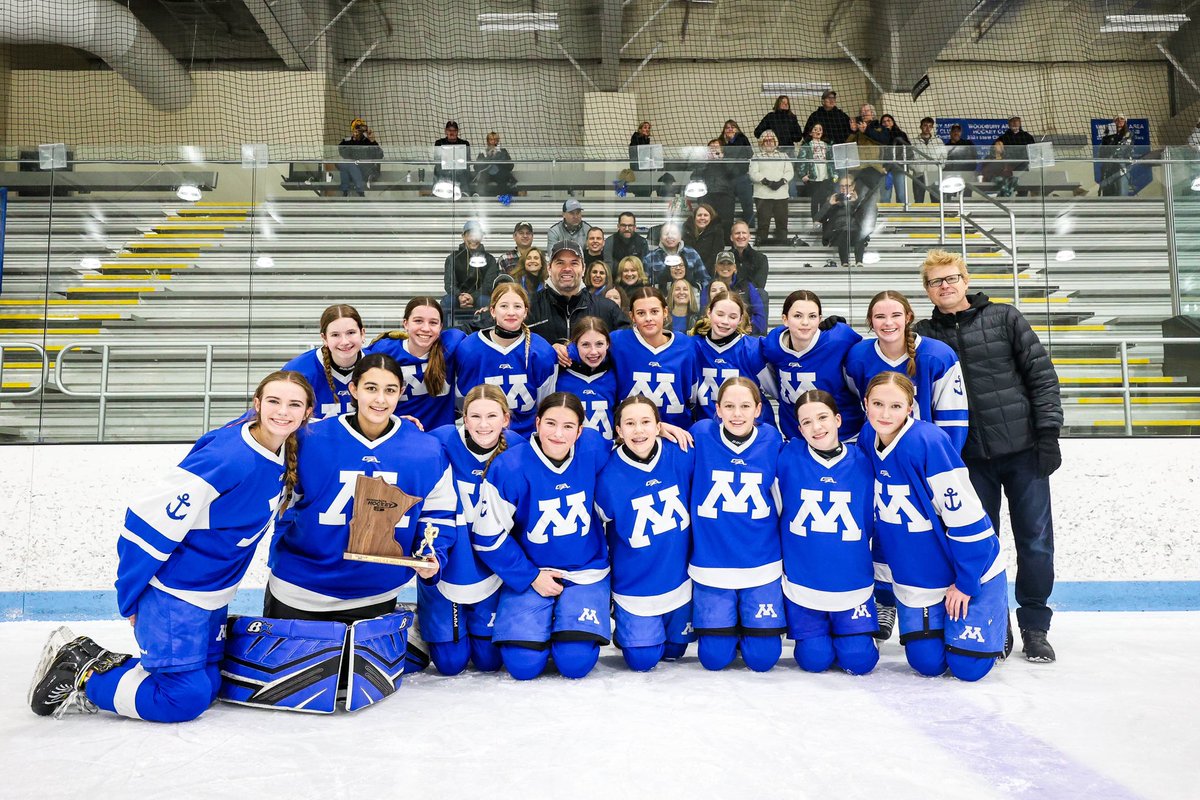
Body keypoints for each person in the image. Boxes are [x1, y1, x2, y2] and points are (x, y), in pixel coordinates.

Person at [29, 372, 314, 721]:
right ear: (256, 404)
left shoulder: (283, 450)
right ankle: (80, 670)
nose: (282, 411)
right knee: (182, 698)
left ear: (307, 413)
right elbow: (146, 522)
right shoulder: (228, 457)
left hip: (212, 594)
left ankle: (95, 658)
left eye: (293, 404)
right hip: (174, 592)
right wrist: (131, 593)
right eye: (273, 401)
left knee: (209, 686)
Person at [248, 355, 456, 711]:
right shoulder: (309, 437)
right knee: (298, 688)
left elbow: (438, 513)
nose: (380, 399)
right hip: (301, 589)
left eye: (390, 390)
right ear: (354, 389)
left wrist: (432, 554)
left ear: (401, 393)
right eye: (371, 388)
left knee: (351, 687)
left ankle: (401, 625)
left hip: (374, 591)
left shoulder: (425, 449)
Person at [914, 249, 1061, 663]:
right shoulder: (922, 334)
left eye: (951, 278)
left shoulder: (1004, 317)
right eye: (936, 281)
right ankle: (996, 622)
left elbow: (1041, 376)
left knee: (1036, 541)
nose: (945, 286)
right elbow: (882, 344)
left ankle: (1035, 626)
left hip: (1024, 450)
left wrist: (1048, 434)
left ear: (965, 280)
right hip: (967, 460)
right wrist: (837, 334)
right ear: (927, 290)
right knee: (979, 543)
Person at [859, 371, 1008, 681]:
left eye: (896, 406)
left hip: (968, 569)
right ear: (865, 404)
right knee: (927, 663)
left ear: (910, 407)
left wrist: (967, 582)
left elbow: (966, 516)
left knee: (969, 668)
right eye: (878, 404)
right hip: (919, 577)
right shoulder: (866, 438)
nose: (885, 414)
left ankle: (996, 617)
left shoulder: (928, 441)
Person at [473, 393, 613, 680]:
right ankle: (543, 627)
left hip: (585, 570)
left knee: (575, 663)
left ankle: (562, 629)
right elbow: (487, 537)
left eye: (568, 426)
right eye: (550, 423)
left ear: (580, 431)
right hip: (533, 570)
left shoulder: (592, 446)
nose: (558, 433)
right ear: (536, 423)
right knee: (522, 665)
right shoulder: (509, 466)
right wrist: (531, 576)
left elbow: (633, 441)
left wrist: (661, 427)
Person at [776, 389, 878, 675]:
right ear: (799, 429)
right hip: (803, 583)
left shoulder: (864, 460)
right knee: (814, 659)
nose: (816, 427)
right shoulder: (787, 455)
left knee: (860, 660)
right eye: (807, 422)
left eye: (822, 418)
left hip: (852, 581)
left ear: (838, 419)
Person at [423, 385, 523, 675]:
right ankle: (421, 627)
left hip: (492, 564)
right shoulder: (440, 440)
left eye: (491, 416)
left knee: (489, 661)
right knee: (450, 663)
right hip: (449, 560)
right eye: (475, 416)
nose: (483, 424)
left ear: (506, 419)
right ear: (464, 418)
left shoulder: (518, 448)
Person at [688, 377, 785, 672]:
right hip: (712, 564)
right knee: (714, 658)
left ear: (758, 409)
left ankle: (746, 623)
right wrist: (664, 426)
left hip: (760, 563)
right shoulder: (701, 434)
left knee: (763, 658)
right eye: (729, 406)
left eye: (745, 406)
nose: (737, 414)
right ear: (717, 409)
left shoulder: (771, 439)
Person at [595, 396, 696, 671]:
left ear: (658, 425)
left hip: (679, 580)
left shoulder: (681, 453)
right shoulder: (607, 474)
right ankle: (626, 624)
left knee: (674, 651)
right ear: (618, 430)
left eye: (646, 422)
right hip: (635, 585)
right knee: (642, 659)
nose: (638, 430)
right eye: (630, 423)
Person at [844, 289, 969, 451]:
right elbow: (855, 405)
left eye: (896, 315)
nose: (888, 323)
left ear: (908, 317)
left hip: (924, 452)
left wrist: (941, 458)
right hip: (877, 454)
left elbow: (953, 420)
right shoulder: (858, 357)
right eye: (880, 317)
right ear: (870, 321)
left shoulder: (938, 356)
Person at [455, 282, 557, 437]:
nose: (511, 312)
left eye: (517, 306)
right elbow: (462, 402)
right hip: (482, 437)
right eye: (504, 306)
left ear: (525, 312)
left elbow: (545, 406)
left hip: (525, 440)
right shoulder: (470, 349)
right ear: (492, 311)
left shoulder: (542, 351)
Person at [761, 289, 863, 443]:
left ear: (820, 319)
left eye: (812, 316)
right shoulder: (773, 344)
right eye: (797, 316)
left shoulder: (839, 339)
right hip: (797, 440)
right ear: (785, 319)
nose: (805, 322)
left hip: (845, 438)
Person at [365, 297, 464, 430]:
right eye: (418, 321)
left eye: (433, 322)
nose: (426, 328)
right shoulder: (384, 350)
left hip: (440, 436)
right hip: (396, 433)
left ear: (441, 327)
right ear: (405, 324)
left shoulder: (451, 344)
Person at [610, 287, 699, 428]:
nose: (648, 318)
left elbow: (692, 397)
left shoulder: (686, 345)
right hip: (633, 434)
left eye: (654, 311)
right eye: (641, 313)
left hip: (678, 433)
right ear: (632, 316)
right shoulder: (617, 341)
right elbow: (585, 345)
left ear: (665, 312)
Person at [527, 240, 629, 351]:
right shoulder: (529, 307)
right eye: (560, 263)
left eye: (574, 263)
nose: (567, 269)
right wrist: (547, 351)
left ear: (583, 269)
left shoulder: (608, 309)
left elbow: (627, 346)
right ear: (549, 268)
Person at [691, 290, 773, 425]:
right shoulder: (693, 347)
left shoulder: (753, 349)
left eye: (732, 317)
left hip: (752, 428)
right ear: (709, 312)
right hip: (710, 430)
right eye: (720, 314)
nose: (725, 321)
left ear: (740, 319)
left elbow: (777, 391)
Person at [282, 304, 365, 419]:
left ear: (362, 333)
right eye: (335, 335)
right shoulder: (298, 370)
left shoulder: (377, 366)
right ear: (324, 338)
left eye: (351, 333)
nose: (344, 342)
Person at [553, 316, 619, 440]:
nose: (593, 352)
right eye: (585, 345)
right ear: (575, 344)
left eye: (599, 344)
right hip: (568, 447)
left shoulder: (615, 371)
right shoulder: (559, 370)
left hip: (606, 446)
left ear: (608, 344)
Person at [443, 220, 499, 322]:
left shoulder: (490, 259)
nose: (473, 238)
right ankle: (447, 331)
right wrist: (460, 296)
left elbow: (489, 285)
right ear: (463, 237)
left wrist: (473, 297)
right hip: (457, 297)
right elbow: (449, 284)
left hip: (479, 298)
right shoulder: (452, 258)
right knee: (448, 301)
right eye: (469, 235)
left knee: (485, 301)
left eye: (476, 235)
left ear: (481, 236)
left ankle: (486, 331)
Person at [699, 249, 766, 334]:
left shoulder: (746, 286)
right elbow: (704, 314)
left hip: (745, 333)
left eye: (729, 264)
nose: (725, 267)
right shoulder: (708, 288)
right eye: (721, 263)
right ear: (715, 267)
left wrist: (747, 327)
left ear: (734, 267)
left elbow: (760, 314)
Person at [748, 130, 793, 245]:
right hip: (762, 195)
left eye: (771, 140)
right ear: (761, 143)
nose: (769, 142)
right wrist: (766, 182)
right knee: (763, 224)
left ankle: (782, 246)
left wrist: (781, 182)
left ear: (775, 142)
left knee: (782, 224)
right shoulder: (756, 156)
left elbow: (789, 172)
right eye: (766, 140)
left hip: (781, 195)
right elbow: (753, 173)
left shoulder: (784, 156)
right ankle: (761, 247)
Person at [818, 175, 872, 268]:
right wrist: (829, 204)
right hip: (837, 235)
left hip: (855, 234)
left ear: (852, 186)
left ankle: (859, 262)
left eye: (847, 186)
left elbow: (866, 219)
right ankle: (845, 263)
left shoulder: (859, 200)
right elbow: (818, 219)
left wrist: (856, 203)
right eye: (842, 186)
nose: (843, 188)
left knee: (859, 233)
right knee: (844, 232)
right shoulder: (833, 200)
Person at [691, 139, 738, 244]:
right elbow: (694, 176)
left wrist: (722, 159)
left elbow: (734, 174)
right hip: (707, 195)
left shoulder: (728, 160)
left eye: (716, 147)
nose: (714, 150)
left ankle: (726, 244)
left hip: (725, 195)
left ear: (722, 149)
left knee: (726, 222)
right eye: (711, 148)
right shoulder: (703, 162)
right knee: (707, 221)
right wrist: (705, 162)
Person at [645, 220, 708, 289]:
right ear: (660, 238)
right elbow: (645, 282)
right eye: (666, 234)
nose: (670, 236)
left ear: (680, 236)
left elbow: (705, 279)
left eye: (674, 233)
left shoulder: (691, 253)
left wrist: (696, 290)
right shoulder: (650, 258)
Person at [796, 122, 837, 224]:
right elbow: (800, 161)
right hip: (813, 175)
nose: (818, 131)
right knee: (815, 198)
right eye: (815, 129)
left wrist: (834, 173)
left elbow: (832, 161)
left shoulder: (827, 146)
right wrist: (802, 175)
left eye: (820, 129)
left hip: (825, 174)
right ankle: (815, 219)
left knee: (824, 197)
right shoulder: (806, 146)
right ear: (810, 133)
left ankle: (823, 219)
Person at [719, 119, 757, 227]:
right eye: (727, 127)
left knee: (747, 205)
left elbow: (749, 154)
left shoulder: (742, 138)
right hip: (726, 179)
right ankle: (727, 230)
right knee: (727, 207)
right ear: (724, 130)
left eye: (733, 127)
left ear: (737, 129)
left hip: (742, 177)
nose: (730, 129)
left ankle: (750, 228)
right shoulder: (721, 142)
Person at [337, 118, 382, 197]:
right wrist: (354, 142)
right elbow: (343, 154)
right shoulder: (346, 141)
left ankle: (346, 192)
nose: (358, 132)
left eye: (360, 129)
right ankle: (357, 192)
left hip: (365, 171)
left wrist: (373, 141)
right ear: (353, 129)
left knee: (349, 165)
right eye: (356, 129)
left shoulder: (368, 141)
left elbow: (379, 155)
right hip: (351, 172)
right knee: (346, 165)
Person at [910, 117, 947, 203]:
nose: (927, 128)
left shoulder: (938, 141)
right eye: (925, 125)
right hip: (918, 175)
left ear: (932, 128)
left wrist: (938, 168)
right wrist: (915, 168)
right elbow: (909, 157)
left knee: (936, 201)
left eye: (930, 126)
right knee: (918, 201)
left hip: (933, 175)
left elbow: (944, 157)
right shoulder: (913, 142)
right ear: (921, 127)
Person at [728, 219, 769, 295]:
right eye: (737, 233)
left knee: (762, 294)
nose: (741, 236)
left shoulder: (761, 258)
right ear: (731, 237)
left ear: (749, 237)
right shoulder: (725, 258)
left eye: (744, 233)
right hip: (729, 297)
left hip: (751, 297)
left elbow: (759, 285)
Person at [683, 202, 725, 273]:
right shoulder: (686, 231)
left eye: (705, 215)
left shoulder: (717, 232)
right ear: (694, 217)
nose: (702, 218)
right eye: (699, 215)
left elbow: (716, 255)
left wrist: (702, 271)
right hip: (688, 271)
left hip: (708, 272)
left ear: (711, 217)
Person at [1099, 115, 1134, 197]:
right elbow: (1102, 152)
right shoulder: (1107, 136)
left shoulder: (1129, 134)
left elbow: (1121, 149)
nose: (1119, 121)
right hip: (1108, 169)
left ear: (1125, 121)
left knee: (1122, 194)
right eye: (1117, 119)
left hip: (1122, 169)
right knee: (1108, 195)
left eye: (1122, 119)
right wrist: (1107, 136)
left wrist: (1112, 154)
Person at [880, 114, 911, 203]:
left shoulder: (901, 135)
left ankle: (904, 213)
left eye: (888, 120)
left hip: (899, 168)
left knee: (901, 196)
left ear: (893, 122)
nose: (886, 123)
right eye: (884, 122)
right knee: (885, 197)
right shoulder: (879, 136)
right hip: (885, 170)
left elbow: (908, 150)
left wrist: (895, 164)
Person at [473, 131, 516, 196]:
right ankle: (480, 196)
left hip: (500, 174)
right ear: (487, 141)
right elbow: (476, 167)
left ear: (498, 141)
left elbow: (510, 166)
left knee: (502, 177)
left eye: (495, 140)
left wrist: (498, 155)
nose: (493, 142)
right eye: (491, 140)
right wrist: (488, 157)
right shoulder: (483, 152)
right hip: (486, 174)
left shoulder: (503, 151)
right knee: (482, 177)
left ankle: (502, 197)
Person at [433, 120, 471, 192]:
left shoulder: (464, 143)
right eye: (449, 130)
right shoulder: (439, 143)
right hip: (444, 172)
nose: (452, 133)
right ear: (445, 131)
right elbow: (436, 160)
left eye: (454, 131)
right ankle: (438, 193)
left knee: (464, 173)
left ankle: (465, 194)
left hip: (460, 172)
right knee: (438, 171)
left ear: (457, 132)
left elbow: (468, 161)